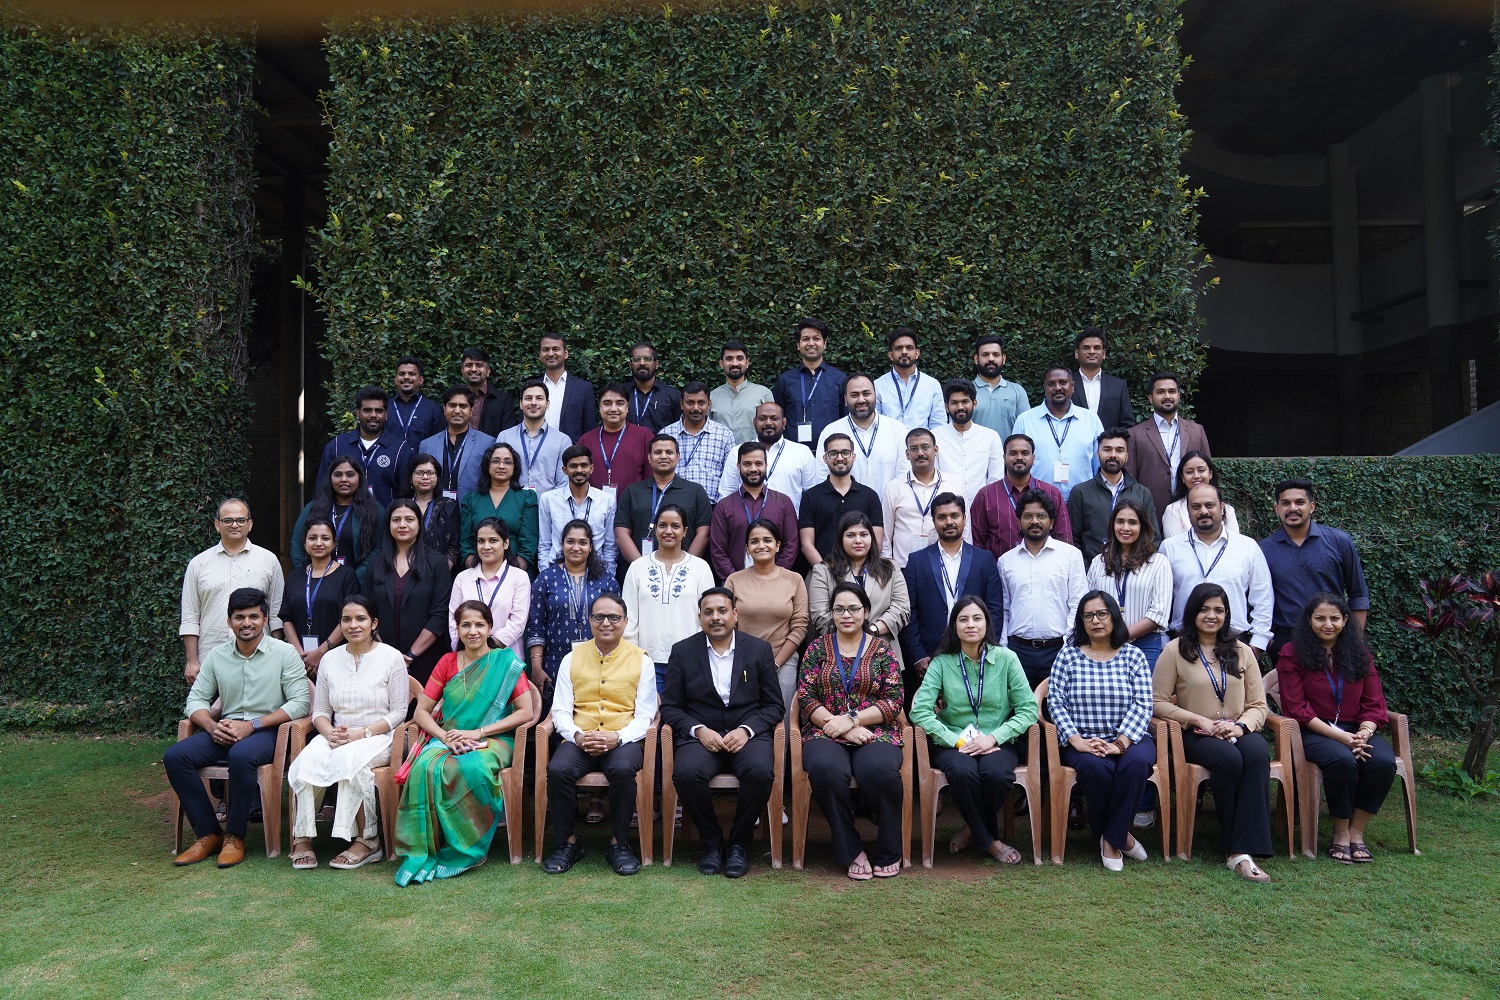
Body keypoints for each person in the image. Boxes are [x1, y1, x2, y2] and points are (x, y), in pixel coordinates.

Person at [394, 599, 539, 885]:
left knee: (471, 767)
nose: (473, 631)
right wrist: (445, 736)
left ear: (489, 628)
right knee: (425, 768)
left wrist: (478, 733)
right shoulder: (447, 662)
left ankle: (469, 846)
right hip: (447, 737)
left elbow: (525, 711)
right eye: (466, 625)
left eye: (479, 625)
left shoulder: (505, 662)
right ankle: (426, 846)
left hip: (494, 739)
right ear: (457, 629)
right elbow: (422, 712)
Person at [165, 588, 310, 867]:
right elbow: (196, 699)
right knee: (175, 756)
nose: (247, 623)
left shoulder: (284, 653)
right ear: (228, 621)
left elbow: (300, 703)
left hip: (268, 731)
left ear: (265, 619)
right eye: (239, 617)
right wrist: (209, 725)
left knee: (241, 755)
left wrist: (252, 725)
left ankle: (235, 836)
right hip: (225, 730)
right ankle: (209, 833)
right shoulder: (218, 656)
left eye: (254, 616)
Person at [1152, 582, 1273, 882]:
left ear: (1227, 615)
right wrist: (1198, 720)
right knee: (1229, 760)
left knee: (1257, 754)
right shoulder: (1174, 650)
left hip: (1237, 728)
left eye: (1219, 610)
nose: (1211, 616)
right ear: (1192, 612)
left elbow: (1258, 705)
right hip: (1196, 733)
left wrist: (1240, 726)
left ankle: (1245, 846)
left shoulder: (1242, 651)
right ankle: (1237, 850)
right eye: (1204, 609)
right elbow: (1156, 702)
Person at [661, 588, 786, 878]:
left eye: (722, 611)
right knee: (686, 773)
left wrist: (746, 730)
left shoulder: (758, 650)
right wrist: (698, 729)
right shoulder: (682, 651)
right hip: (702, 738)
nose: (715, 617)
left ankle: (739, 843)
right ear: (700, 617)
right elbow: (670, 707)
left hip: (748, 736)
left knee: (759, 772)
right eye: (708, 612)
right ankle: (713, 843)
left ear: (735, 614)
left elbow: (773, 706)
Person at [910, 595, 1037, 863]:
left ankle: (971, 829)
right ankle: (991, 842)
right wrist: (956, 741)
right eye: (963, 619)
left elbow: (1028, 709)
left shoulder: (1006, 659)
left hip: (998, 739)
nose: (970, 624)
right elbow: (919, 710)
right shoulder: (942, 662)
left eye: (977, 618)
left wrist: (993, 737)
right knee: (963, 773)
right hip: (954, 741)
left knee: (998, 775)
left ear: (986, 624)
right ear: (954, 626)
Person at [287, 595, 408, 870]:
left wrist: (361, 734)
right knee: (306, 762)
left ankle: (368, 841)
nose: (353, 625)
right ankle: (303, 838)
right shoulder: (330, 659)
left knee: (352, 764)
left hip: (380, 737)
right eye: (346, 619)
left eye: (361, 619)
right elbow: (319, 711)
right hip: (337, 735)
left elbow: (399, 712)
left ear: (373, 623)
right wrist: (329, 733)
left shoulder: (391, 657)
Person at [542, 592, 659, 876]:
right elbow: (559, 711)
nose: (606, 623)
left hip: (622, 738)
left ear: (626, 622)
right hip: (581, 737)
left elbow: (646, 715)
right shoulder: (572, 658)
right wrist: (578, 736)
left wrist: (617, 738)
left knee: (621, 769)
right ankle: (567, 842)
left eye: (614, 617)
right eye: (599, 617)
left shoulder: (641, 660)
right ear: (590, 620)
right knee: (558, 769)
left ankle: (619, 843)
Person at [1276, 593, 1396, 865]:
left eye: (1334, 618)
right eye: (1320, 618)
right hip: (1314, 731)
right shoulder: (1292, 653)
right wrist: (1342, 738)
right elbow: (1297, 708)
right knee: (1342, 760)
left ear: (1344, 620)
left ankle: (1356, 833)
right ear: (1309, 621)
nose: (1327, 624)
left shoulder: (1360, 654)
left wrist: (1364, 732)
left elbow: (1374, 702)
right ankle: (1340, 834)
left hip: (1356, 729)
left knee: (1383, 761)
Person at [797, 582, 907, 879]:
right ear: (831, 613)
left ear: (866, 611)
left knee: (881, 772)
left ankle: (888, 850)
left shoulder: (882, 649)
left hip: (875, 730)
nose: (846, 615)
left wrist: (853, 720)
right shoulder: (817, 647)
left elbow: (895, 699)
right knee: (826, 770)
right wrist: (841, 728)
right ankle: (851, 849)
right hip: (824, 730)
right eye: (839, 609)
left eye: (854, 608)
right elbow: (806, 696)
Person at [1048, 592, 1155, 871]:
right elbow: (1055, 701)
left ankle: (1111, 839)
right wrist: (1076, 740)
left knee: (1136, 763)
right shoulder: (1068, 655)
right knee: (1097, 770)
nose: (1095, 620)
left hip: (1129, 738)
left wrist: (1120, 744)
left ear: (1113, 617)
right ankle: (1123, 838)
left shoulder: (1133, 655)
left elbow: (1143, 704)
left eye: (1102, 614)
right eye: (1088, 615)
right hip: (1082, 739)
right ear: (1081, 621)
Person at [900, 493, 1004, 690]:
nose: (949, 522)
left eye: (954, 516)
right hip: (930, 656)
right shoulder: (916, 561)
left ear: (964, 518)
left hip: (975, 651)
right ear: (934, 521)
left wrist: (987, 648)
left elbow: (995, 609)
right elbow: (909, 612)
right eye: (942, 517)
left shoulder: (984, 560)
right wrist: (917, 655)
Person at [1260, 479, 1370, 658]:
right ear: (1276, 509)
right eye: (1285, 503)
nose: (1292, 508)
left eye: (1300, 502)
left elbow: (1358, 595)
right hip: (1286, 643)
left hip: (1334, 638)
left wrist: (1354, 642)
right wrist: (1273, 644)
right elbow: (1256, 600)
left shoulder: (1339, 542)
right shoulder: (1263, 550)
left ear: (1311, 507)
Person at [180, 498, 286, 682]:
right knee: (210, 710)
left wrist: (276, 655)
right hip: (210, 659)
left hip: (260, 659)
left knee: (262, 711)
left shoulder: (268, 560)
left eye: (241, 520)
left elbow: (276, 614)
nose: (234, 525)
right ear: (217, 525)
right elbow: (190, 616)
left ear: (250, 524)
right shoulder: (199, 564)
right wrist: (191, 661)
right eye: (227, 520)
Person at [1161, 484, 1273, 655]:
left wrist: (1257, 644)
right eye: (1196, 506)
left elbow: (1263, 596)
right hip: (1184, 642)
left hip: (1234, 642)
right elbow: (1161, 599)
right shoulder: (1170, 547)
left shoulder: (1247, 546)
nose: (1203, 511)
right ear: (1188, 510)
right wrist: (1163, 642)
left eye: (1210, 505)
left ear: (1221, 508)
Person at [997, 490, 1088, 687]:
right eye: (1028, 516)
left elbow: (1078, 605)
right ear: (1019, 521)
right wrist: (1004, 648)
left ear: (1052, 522)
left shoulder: (1070, 556)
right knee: (1018, 714)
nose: (1035, 521)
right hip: (1017, 652)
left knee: (1053, 714)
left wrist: (1068, 646)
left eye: (1041, 516)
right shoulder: (1006, 561)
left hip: (1058, 651)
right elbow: (1003, 609)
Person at [621, 504, 715, 691]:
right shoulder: (637, 567)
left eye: (675, 526)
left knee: (684, 719)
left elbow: (707, 616)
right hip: (647, 662)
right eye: (662, 525)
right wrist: (635, 658)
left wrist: (699, 655)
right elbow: (628, 618)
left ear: (685, 531)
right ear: (655, 529)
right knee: (651, 718)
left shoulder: (700, 567)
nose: (668, 531)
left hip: (690, 662)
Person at [526, 520, 620, 700]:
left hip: (599, 661)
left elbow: (617, 624)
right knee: (555, 719)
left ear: (591, 547)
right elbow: (536, 625)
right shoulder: (545, 579)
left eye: (582, 543)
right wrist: (537, 668)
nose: (576, 547)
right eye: (570, 542)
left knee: (594, 716)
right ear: (561, 545)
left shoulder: (606, 580)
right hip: (555, 662)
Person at [808, 512, 911, 672]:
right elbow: (820, 615)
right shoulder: (823, 570)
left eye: (864, 534)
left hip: (884, 654)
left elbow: (902, 608)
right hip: (837, 658)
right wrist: (853, 634)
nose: (858, 540)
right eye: (850, 535)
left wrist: (873, 631)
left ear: (872, 537)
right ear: (840, 539)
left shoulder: (890, 568)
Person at [725, 518, 810, 712]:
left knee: (783, 719)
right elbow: (728, 625)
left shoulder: (794, 579)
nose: (761, 545)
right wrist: (744, 661)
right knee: (744, 719)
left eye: (767, 540)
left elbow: (800, 626)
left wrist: (775, 664)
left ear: (778, 545)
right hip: (741, 662)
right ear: (747, 547)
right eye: (754, 541)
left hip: (783, 661)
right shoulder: (734, 580)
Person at [363, 500, 450, 684]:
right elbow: (367, 610)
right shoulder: (375, 563)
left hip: (426, 659)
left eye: (409, 519)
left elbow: (440, 614)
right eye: (396, 520)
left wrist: (410, 655)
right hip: (380, 658)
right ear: (388, 525)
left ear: (419, 523)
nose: (402, 525)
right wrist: (384, 652)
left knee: (422, 711)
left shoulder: (437, 562)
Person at [1085, 498, 1172, 669]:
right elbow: (1088, 606)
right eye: (1120, 522)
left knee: (1141, 695)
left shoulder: (1158, 562)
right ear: (1112, 525)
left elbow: (1159, 613)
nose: (1125, 528)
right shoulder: (1098, 562)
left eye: (1132, 522)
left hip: (1145, 643)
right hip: (1102, 643)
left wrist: (1121, 635)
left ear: (1142, 527)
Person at [279, 516, 361, 678]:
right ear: (304, 543)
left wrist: (321, 651)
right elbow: (286, 618)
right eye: (312, 538)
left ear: (334, 543)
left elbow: (350, 617)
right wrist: (300, 654)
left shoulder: (347, 575)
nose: (318, 543)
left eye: (325, 538)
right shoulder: (295, 576)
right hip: (300, 660)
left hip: (338, 657)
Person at [970, 433, 1072, 561]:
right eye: (1013, 453)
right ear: (1004, 458)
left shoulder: (1052, 493)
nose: (1019, 457)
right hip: (998, 575)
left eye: (1025, 453)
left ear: (1033, 458)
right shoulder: (986, 495)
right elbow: (977, 542)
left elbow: (1063, 538)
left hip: (1045, 573)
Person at [615, 434, 714, 565]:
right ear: (649, 458)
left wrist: (685, 566)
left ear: (678, 457)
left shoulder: (696, 491)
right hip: (640, 571)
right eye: (657, 452)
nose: (663, 456)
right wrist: (641, 567)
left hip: (685, 572)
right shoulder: (631, 492)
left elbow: (704, 533)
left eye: (669, 452)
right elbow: (621, 534)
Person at [1127, 370, 1212, 521]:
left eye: (1172, 391)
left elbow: (1208, 474)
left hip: (1191, 511)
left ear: (1179, 395)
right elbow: (1130, 479)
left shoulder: (1196, 431)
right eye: (1160, 392)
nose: (1167, 396)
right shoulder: (1134, 434)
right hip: (1150, 512)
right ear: (1150, 398)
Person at [1010, 365, 1103, 502]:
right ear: (1044, 387)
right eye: (1051, 384)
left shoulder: (1091, 420)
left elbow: (1099, 464)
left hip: (1083, 501)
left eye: (1063, 382)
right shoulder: (1025, 420)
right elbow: (1015, 464)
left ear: (1072, 386)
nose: (1057, 388)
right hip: (1037, 501)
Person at [1066, 427, 1160, 562]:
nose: (1113, 455)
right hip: (1094, 571)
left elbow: (1153, 537)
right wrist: (1087, 569)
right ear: (1098, 454)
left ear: (1126, 456)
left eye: (1119, 450)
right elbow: (1072, 538)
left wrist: (1137, 565)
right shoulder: (1081, 492)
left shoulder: (1142, 493)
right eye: (1107, 449)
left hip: (1134, 570)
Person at [880, 427, 967, 569]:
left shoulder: (954, 484)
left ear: (936, 450)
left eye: (925, 447)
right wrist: (888, 569)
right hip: (904, 567)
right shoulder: (893, 488)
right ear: (907, 454)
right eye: (914, 449)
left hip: (947, 565)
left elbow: (966, 528)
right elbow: (886, 535)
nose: (920, 453)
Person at [710, 441, 798, 580]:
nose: (753, 469)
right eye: (747, 464)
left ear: (765, 465)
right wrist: (737, 581)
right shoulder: (724, 506)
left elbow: (791, 545)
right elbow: (718, 551)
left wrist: (776, 577)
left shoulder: (783, 502)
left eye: (758, 463)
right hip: (735, 587)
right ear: (738, 467)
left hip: (777, 584)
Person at [314, 386, 413, 507]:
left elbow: (406, 496)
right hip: (344, 522)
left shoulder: (400, 449)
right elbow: (322, 490)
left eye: (378, 411)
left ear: (386, 414)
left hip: (384, 523)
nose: (373, 415)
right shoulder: (336, 446)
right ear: (357, 413)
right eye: (367, 410)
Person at [290, 458, 384, 584]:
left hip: (359, 584)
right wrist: (308, 573)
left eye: (350, 474)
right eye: (338, 475)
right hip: (317, 583)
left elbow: (379, 549)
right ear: (330, 478)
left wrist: (353, 579)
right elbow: (296, 544)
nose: (344, 479)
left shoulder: (376, 510)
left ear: (360, 478)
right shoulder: (313, 507)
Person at [798, 432, 885, 566]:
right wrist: (826, 573)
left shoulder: (870, 496)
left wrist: (857, 572)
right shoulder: (810, 496)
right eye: (833, 453)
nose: (839, 458)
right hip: (823, 572)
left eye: (845, 452)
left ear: (853, 456)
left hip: (862, 572)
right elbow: (806, 544)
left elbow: (877, 542)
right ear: (825, 458)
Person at [718, 401, 824, 508]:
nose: (768, 423)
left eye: (774, 418)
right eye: (763, 418)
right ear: (754, 422)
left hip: (790, 521)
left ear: (784, 423)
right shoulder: (737, 452)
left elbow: (812, 494)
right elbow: (727, 492)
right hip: (746, 522)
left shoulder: (802, 452)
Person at [817, 374, 910, 496]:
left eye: (866, 394)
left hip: (887, 509)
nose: (861, 400)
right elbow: (822, 477)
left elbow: (903, 477)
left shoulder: (897, 430)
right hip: (844, 511)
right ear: (845, 400)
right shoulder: (830, 432)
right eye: (854, 395)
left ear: (875, 396)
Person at [449, 517, 531, 657]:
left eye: (493, 540)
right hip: (468, 657)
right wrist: (468, 648)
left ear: (505, 543)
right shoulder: (462, 578)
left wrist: (488, 648)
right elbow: (453, 620)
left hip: (506, 657)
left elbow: (518, 621)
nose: (486, 546)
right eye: (481, 541)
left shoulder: (519, 577)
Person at [538, 444, 619, 579]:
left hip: (596, 573)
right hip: (557, 572)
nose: (579, 470)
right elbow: (544, 544)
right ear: (564, 470)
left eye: (584, 465)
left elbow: (610, 547)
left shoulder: (607, 500)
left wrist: (608, 577)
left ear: (591, 468)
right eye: (573, 466)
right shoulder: (548, 499)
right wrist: (546, 576)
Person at [459, 442, 539, 572]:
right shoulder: (471, 499)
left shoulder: (526, 498)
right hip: (478, 573)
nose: (501, 466)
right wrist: (477, 572)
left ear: (515, 468)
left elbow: (529, 543)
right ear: (487, 465)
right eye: (495, 461)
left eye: (508, 462)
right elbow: (466, 543)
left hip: (518, 572)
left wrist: (510, 576)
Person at [773, 317, 847, 445]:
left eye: (816, 339)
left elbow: (846, 418)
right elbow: (779, 418)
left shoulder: (840, 379)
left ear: (824, 344)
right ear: (798, 345)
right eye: (805, 339)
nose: (811, 343)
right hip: (794, 453)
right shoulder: (785, 380)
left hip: (831, 453)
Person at [418, 385, 497, 502]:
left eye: (463, 406)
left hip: (472, 511)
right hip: (435, 511)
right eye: (452, 405)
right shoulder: (427, 445)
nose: (457, 411)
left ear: (471, 411)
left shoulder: (488, 443)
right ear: (444, 409)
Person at [931, 380, 1004, 505]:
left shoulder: (991, 437)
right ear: (946, 407)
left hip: (982, 507)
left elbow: (995, 479)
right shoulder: (934, 437)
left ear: (974, 404)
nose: (960, 407)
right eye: (954, 403)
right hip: (945, 509)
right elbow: (932, 477)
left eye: (965, 402)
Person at [663, 380, 737, 496]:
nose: (696, 408)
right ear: (681, 404)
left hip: (711, 506)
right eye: (690, 402)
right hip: (673, 506)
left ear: (709, 404)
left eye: (701, 403)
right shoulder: (666, 434)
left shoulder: (724, 435)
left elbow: (731, 477)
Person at [497, 379, 569, 496]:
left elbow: (563, 482)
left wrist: (548, 506)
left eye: (539, 398)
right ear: (521, 404)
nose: (533, 403)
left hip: (548, 510)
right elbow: (497, 477)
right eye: (528, 398)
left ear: (547, 404)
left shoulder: (562, 441)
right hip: (511, 507)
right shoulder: (504, 437)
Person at [578, 382, 653, 493]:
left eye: (620, 403)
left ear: (627, 407)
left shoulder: (644, 437)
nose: (613, 409)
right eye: (607, 403)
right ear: (599, 407)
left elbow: (651, 477)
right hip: (593, 508)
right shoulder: (586, 440)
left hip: (634, 506)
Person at [398, 452, 460, 573]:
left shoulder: (450, 506)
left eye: (430, 473)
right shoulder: (399, 506)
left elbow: (454, 546)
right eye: (419, 473)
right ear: (410, 478)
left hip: (440, 572)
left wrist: (442, 571)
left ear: (437, 477)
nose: (425, 477)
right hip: (403, 571)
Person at [874, 326, 945, 430]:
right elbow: (875, 423)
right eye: (898, 348)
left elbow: (939, 425)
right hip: (890, 445)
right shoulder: (878, 385)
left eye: (909, 348)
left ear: (917, 353)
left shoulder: (932, 385)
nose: (904, 352)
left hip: (922, 445)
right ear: (890, 355)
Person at [1160, 450, 1241, 538]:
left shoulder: (1227, 510)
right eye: (1189, 472)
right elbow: (1174, 548)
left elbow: (1234, 545)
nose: (1196, 476)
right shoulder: (1173, 510)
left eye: (1201, 470)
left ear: (1210, 473)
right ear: (1182, 477)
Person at [710, 339, 774, 444]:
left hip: (755, 457)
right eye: (729, 359)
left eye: (739, 358)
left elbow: (773, 429)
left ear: (747, 363)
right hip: (721, 458)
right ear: (721, 364)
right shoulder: (712, 396)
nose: (735, 363)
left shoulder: (763, 394)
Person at [1071, 327, 1136, 430]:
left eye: (1097, 348)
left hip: (1109, 445)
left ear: (1104, 353)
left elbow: (1128, 424)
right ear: (1076, 353)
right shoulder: (1066, 383)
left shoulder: (1118, 386)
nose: (1092, 351)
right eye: (1086, 348)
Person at [538, 331, 597, 441]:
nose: (550, 354)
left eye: (556, 349)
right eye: (545, 349)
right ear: (540, 355)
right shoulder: (531, 387)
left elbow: (589, 430)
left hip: (571, 455)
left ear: (566, 354)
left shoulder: (583, 388)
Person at [970, 333, 1029, 439]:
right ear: (976, 359)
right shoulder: (965, 391)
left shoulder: (1017, 391)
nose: (991, 359)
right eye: (985, 354)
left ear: (1003, 358)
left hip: (1008, 455)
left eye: (996, 354)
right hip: (973, 455)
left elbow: (1027, 428)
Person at [622, 340, 681, 433]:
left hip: (661, 447)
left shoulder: (673, 395)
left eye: (648, 359)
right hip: (627, 447)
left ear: (656, 364)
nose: (642, 363)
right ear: (630, 365)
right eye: (636, 359)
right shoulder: (621, 394)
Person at [460, 346, 519, 436]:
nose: (474, 369)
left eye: (479, 365)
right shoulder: (454, 399)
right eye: (469, 365)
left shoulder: (503, 400)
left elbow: (508, 436)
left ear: (487, 371)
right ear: (462, 371)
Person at [390, 355, 445, 446]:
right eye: (402, 374)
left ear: (421, 380)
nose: (406, 377)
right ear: (396, 380)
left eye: (412, 374)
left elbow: (438, 444)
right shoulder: (385, 407)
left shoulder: (433, 409)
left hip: (422, 459)